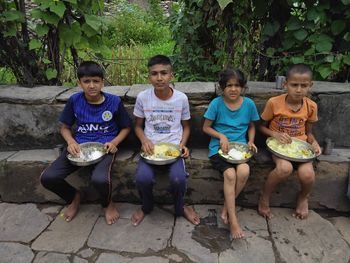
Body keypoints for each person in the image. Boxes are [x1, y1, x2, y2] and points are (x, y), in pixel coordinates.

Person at [40, 61, 131, 224]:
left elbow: (126, 128)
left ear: (102, 82)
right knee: (48, 177)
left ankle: (107, 203)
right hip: (79, 148)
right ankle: (74, 197)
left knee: (100, 179)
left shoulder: (114, 101)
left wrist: (114, 142)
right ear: (79, 83)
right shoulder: (75, 101)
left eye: (96, 81)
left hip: (105, 148)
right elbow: (65, 128)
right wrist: (70, 142)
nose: (91, 86)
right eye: (86, 81)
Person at [131, 55, 200, 226]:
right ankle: (146, 207)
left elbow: (186, 127)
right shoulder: (143, 98)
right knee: (142, 179)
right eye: (154, 74)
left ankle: (180, 207)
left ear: (171, 75)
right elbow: (138, 126)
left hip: (173, 148)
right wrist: (144, 140)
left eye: (164, 73)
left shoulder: (181, 98)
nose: (159, 78)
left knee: (179, 179)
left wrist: (182, 144)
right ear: (149, 76)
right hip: (151, 149)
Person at [258, 63, 321, 220]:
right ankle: (264, 197)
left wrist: (314, 143)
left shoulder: (311, 106)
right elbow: (260, 127)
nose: (299, 90)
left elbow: (309, 133)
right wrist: (274, 134)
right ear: (286, 84)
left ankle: (303, 197)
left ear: (310, 86)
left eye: (304, 85)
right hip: (278, 146)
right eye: (294, 85)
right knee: (284, 169)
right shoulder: (274, 103)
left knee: (307, 174)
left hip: (300, 148)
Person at [203, 68, 260, 239]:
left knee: (244, 171)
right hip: (220, 149)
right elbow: (205, 127)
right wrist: (221, 136)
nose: (233, 89)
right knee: (229, 175)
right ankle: (233, 221)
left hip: (240, 149)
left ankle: (227, 207)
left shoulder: (249, 104)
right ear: (222, 87)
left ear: (243, 87)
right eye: (229, 85)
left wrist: (251, 141)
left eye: (237, 85)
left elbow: (251, 126)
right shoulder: (216, 104)